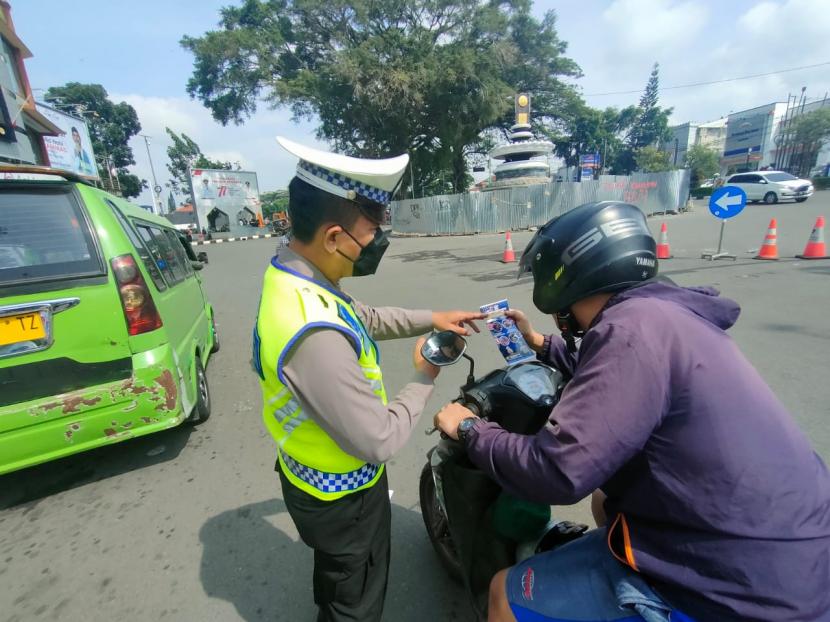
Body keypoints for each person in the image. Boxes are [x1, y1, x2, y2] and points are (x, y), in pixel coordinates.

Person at [435, 201, 830, 622]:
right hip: (795, 549)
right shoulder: (661, 313)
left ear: (564, 278)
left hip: (737, 585)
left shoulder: (628, 332)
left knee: (502, 592)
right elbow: (620, 380)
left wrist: (472, 430)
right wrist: (540, 343)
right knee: (605, 501)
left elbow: (558, 472)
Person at [253, 136, 484, 622]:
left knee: (338, 580)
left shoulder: (298, 274)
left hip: (312, 478)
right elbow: (379, 440)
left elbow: (368, 316)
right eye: (370, 232)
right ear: (334, 237)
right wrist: (426, 373)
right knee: (355, 602)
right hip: (344, 500)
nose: (378, 241)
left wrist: (433, 317)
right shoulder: (312, 330)